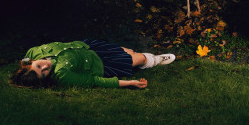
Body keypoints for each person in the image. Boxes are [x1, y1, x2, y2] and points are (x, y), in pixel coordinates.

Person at [9, 39, 175, 89]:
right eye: (43, 73)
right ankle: (154, 60)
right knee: (140, 59)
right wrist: (129, 83)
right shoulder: (63, 75)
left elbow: (25, 63)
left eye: (38, 66)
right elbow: (95, 81)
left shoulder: (33, 52)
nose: (45, 67)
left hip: (89, 46)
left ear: (30, 61)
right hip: (100, 64)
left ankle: (136, 56)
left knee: (129, 51)